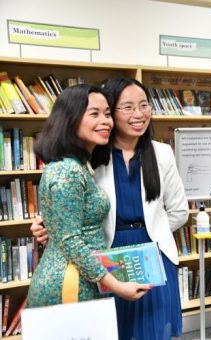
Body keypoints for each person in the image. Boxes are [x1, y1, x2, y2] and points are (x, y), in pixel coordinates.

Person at [32, 78, 189, 340]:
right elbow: (71, 207)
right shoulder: (91, 153)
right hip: (107, 259)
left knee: (153, 331)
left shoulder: (162, 154)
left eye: (144, 105)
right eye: (127, 107)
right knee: (113, 331)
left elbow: (179, 211)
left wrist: (154, 232)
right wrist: (46, 223)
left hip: (152, 257)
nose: (138, 114)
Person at [27, 84, 150, 308]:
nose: (106, 121)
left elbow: (67, 217)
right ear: (70, 119)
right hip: (69, 281)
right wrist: (117, 285)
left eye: (107, 114)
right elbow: (71, 241)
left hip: (82, 276)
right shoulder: (68, 171)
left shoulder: (80, 165)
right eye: (94, 114)